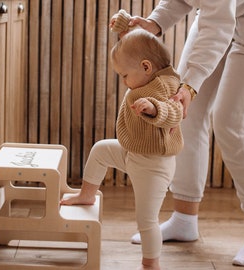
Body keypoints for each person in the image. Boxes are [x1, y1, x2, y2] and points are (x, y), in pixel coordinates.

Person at [125, 0, 244, 267]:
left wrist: (190, 86)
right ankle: (184, 219)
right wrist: (156, 21)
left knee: (233, 126)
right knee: (185, 114)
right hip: (218, 12)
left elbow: (218, 26)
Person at [61, 28, 184, 270]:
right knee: (100, 150)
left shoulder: (164, 87)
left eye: (124, 75)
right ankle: (86, 194)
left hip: (153, 166)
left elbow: (175, 112)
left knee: (146, 220)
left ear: (146, 67)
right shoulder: (147, 79)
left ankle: (151, 264)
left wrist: (154, 109)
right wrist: (125, 28)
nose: (124, 81)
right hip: (132, 152)